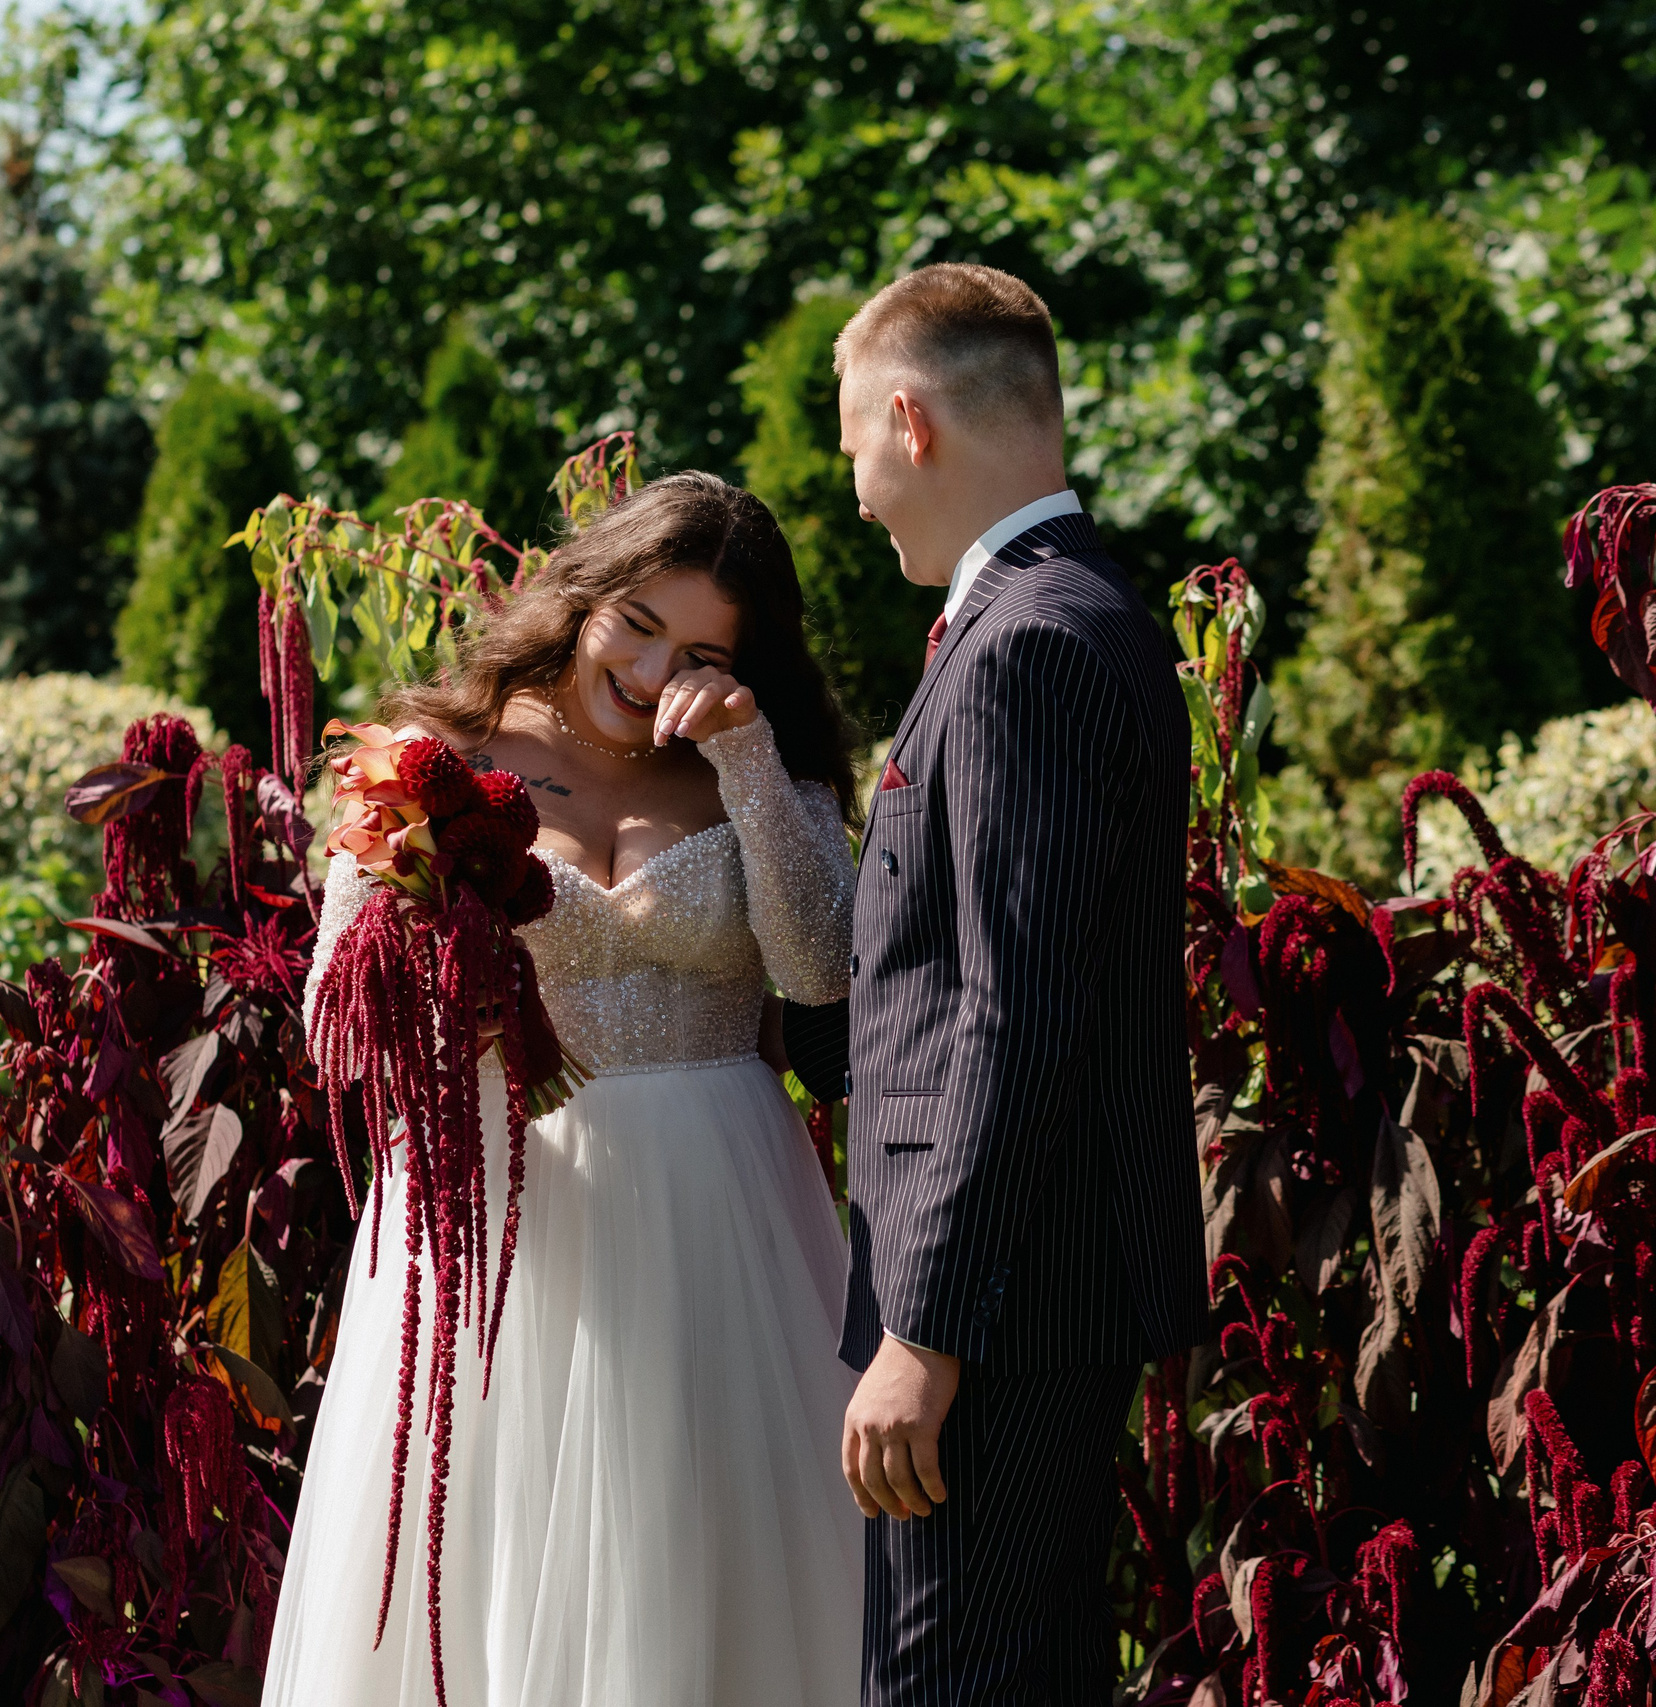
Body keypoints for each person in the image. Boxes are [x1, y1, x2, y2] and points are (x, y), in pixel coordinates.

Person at [263, 471, 868, 1705]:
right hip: (502, 1220)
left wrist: (746, 758)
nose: (654, 672)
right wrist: (433, 955)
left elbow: (817, 970)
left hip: (723, 1220)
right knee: (493, 1564)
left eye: (700, 649)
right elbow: (336, 1008)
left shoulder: (758, 765)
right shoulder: (432, 757)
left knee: (711, 1565)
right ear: (584, 596)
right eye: (637, 625)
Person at [792, 263, 1208, 1702]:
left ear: (910, 420)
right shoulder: (1064, 613)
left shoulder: (1025, 644)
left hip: (1004, 1306)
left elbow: (1016, 1014)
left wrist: (928, 1329)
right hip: (1032, 1291)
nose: (853, 489)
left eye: (850, 442)